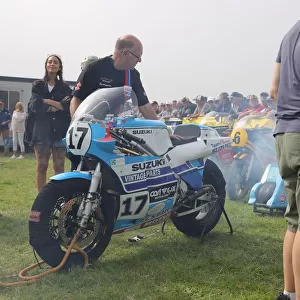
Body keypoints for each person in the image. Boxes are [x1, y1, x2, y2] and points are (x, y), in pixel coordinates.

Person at [271, 20, 300, 300]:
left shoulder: (290, 33)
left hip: (285, 134)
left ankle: (289, 293)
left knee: (295, 221)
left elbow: (274, 89)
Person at [70, 35, 157, 120]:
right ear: (125, 53)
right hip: (94, 125)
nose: (140, 60)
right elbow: (76, 100)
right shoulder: (94, 69)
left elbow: (145, 107)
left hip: (118, 126)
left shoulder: (133, 75)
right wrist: (77, 124)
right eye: (137, 56)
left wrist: (162, 129)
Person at [28, 54, 72, 192]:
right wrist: (57, 105)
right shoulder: (38, 85)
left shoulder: (65, 88)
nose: (52, 64)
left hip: (59, 131)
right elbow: (34, 106)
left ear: (60, 67)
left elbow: (67, 106)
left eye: (55, 62)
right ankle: (42, 198)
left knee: (59, 166)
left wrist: (47, 101)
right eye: (49, 62)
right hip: (42, 131)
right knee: (42, 165)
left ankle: (56, 197)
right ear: (46, 65)